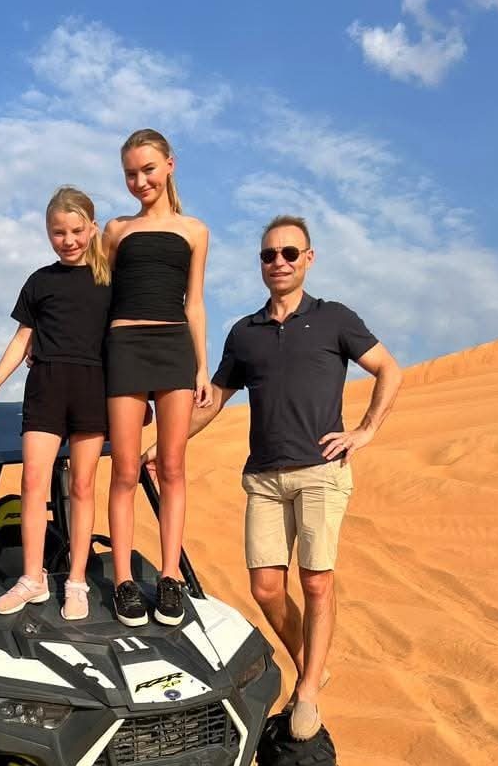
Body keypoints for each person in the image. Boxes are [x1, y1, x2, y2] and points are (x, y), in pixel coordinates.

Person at [146, 215, 402, 739]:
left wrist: (365, 430)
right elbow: (213, 399)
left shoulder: (335, 319)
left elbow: (389, 370)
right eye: (269, 255)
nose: (279, 263)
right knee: (265, 589)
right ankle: (313, 663)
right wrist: (165, 445)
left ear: (308, 258)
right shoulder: (245, 333)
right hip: (263, 477)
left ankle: (307, 690)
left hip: (319, 472)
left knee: (315, 582)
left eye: (289, 253)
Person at [0, 186, 111, 621]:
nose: (68, 240)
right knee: (34, 483)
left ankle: (76, 582)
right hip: (46, 386)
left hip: (94, 385)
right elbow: (22, 340)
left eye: (76, 230)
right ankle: (32, 579)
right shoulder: (40, 281)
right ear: (47, 233)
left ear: (92, 228)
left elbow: (128, 337)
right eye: (58, 232)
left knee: (83, 487)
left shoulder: (111, 279)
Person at [102, 128, 212, 629]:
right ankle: (124, 580)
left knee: (171, 466)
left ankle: (170, 578)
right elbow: (98, 300)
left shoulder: (195, 231)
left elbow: (195, 302)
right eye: (131, 173)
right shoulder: (115, 230)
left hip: (174, 348)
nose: (139, 180)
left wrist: (202, 366)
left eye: (148, 169)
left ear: (170, 164)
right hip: (123, 347)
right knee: (125, 468)